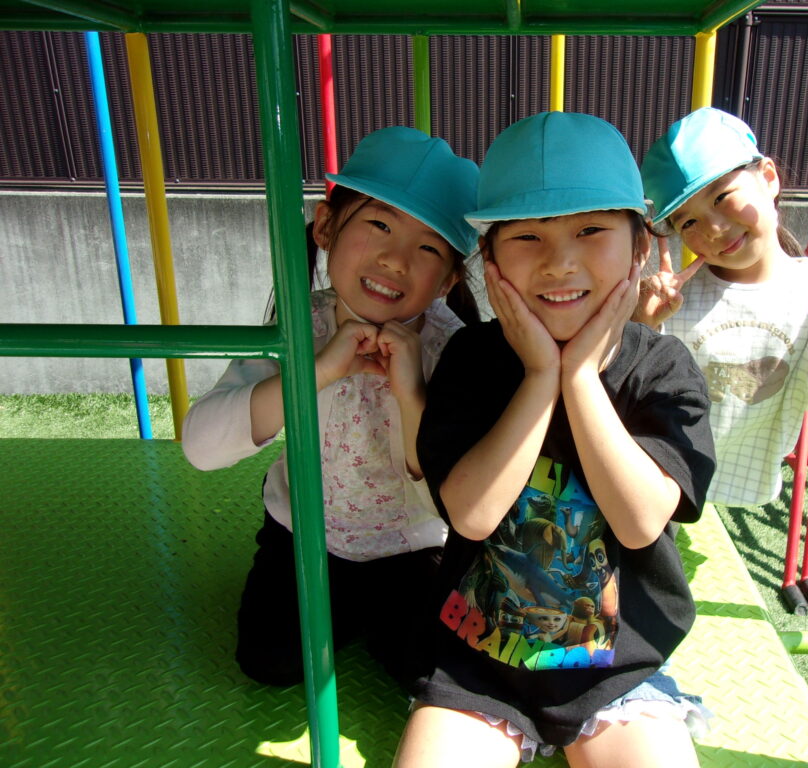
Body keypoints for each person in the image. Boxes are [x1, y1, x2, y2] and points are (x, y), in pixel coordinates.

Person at [393, 112, 716, 768]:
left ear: (640, 249)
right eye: (527, 236)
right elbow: (472, 513)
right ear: (490, 260)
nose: (560, 261)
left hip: (619, 672)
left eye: (590, 230)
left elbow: (638, 523)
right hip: (476, 667)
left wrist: (581, 378)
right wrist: (542, 376)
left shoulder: (662, 368)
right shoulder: (470, 359)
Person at [181, 126, 480, 689]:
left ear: (448, 279)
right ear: (326, 226)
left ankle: (375, 620)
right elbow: (201, 448)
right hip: (304, 536)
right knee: (268, 661)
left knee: (433, 675)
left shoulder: (454, 349)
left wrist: (412, 395)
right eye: (380, 225)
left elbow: (458, 507)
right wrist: (316, 371)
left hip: (415, 547)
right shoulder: (297, 327)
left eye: (427, 248)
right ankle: (360, 617)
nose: (395, 259)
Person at [635, 107, 808, 507]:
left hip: (741, 487)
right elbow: (631, 395)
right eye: (688, 223)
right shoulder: (673, 302)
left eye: (722, 197)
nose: (713, 229)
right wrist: (641, 323)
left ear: (769, 177)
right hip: (657, 484)